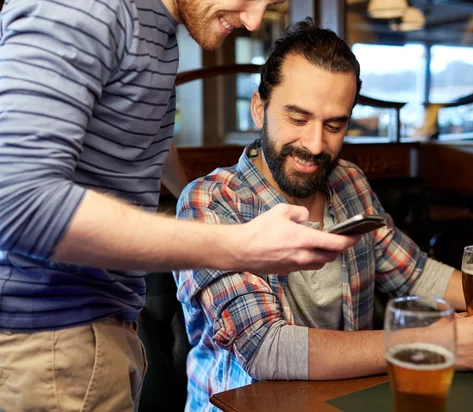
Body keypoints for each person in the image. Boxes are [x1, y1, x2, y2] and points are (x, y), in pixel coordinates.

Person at [173, 19, 473, 411]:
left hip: (341, 398)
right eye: (298, 118)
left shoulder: (348, 182)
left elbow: (413, 273)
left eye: (335, 125)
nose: (316, 144)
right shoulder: (209, 202)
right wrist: (437, 343)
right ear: (260, 109)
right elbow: (266, 349)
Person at [0, 1, 359, 411]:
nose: (254, 20)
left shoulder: (154, 27)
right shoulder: (91, 6)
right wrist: (238, 243)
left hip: (103, 329)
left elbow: (136, 132)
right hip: (53, 339)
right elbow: (19, 202)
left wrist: (196, 192)